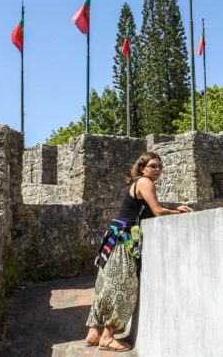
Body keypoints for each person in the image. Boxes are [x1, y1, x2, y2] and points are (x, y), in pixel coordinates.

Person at [85, 151, 193, 352]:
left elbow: (152, 210)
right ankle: (107, 337)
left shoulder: (136, 183)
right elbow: (158, 211)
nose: (158, 170)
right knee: (123, 287)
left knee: (105, 285)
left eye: (160, 167)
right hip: (122, 241)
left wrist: (169, 208)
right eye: (154, 166)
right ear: (143, 167)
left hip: (113, 238)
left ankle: (93, 333)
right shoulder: (145, 182)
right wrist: (178, 210)